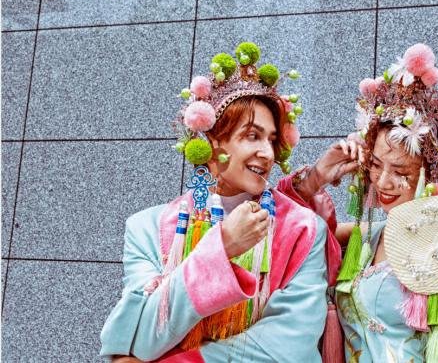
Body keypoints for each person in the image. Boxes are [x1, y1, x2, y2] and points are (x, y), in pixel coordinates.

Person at [100, 42, 342, 363]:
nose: (267, 153)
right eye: (252, 136)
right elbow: (139, 338)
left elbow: (287, 347)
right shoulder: (147, 228)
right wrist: (222, 247)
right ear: (212, 142)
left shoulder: (304, 230)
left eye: (271, 140)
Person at [289, 42, 438, 363]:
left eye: (401, 172)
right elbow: (295, 237)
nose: (383, 182)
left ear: (430, 176)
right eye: (375, 165)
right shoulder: (368, 235)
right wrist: (316, 177)